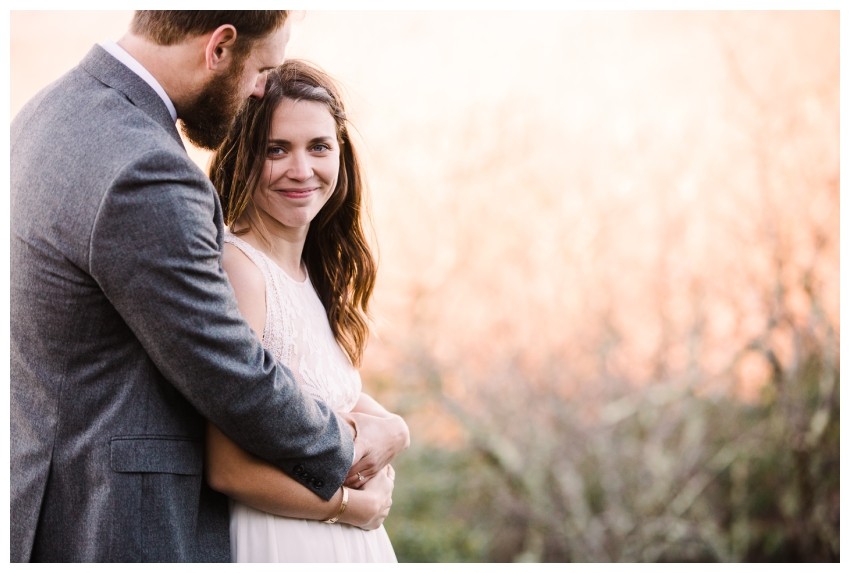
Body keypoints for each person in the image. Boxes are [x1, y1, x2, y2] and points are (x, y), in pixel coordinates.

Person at [11, 11, 397, 562]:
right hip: (117, 521)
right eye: (263, 68)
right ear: (220, 47)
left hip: (48, 497)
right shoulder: (147, 169)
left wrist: (387, 423)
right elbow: (232, 373)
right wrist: (352, 453)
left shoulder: (51, 111)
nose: (262, 88)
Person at [205, 59, 408, 562]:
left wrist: (395, 429)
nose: (302, 170)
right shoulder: (241, 272)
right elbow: (228, 468)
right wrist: (348, 508)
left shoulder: (309, 275)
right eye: (277, 149)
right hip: (286, 542)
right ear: (243, 156)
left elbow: (324, 398)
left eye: (319, 146)